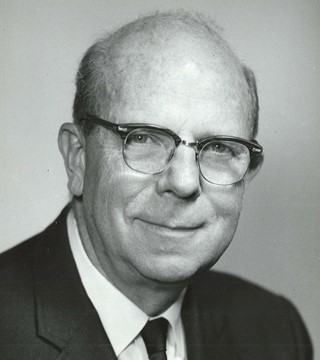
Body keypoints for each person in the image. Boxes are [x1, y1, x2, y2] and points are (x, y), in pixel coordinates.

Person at [0, 10, 313, 360]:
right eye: (143, 138)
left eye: (219, 147)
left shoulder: (275, 332)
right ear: (78, 158)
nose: (183, 182)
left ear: (247, 175)